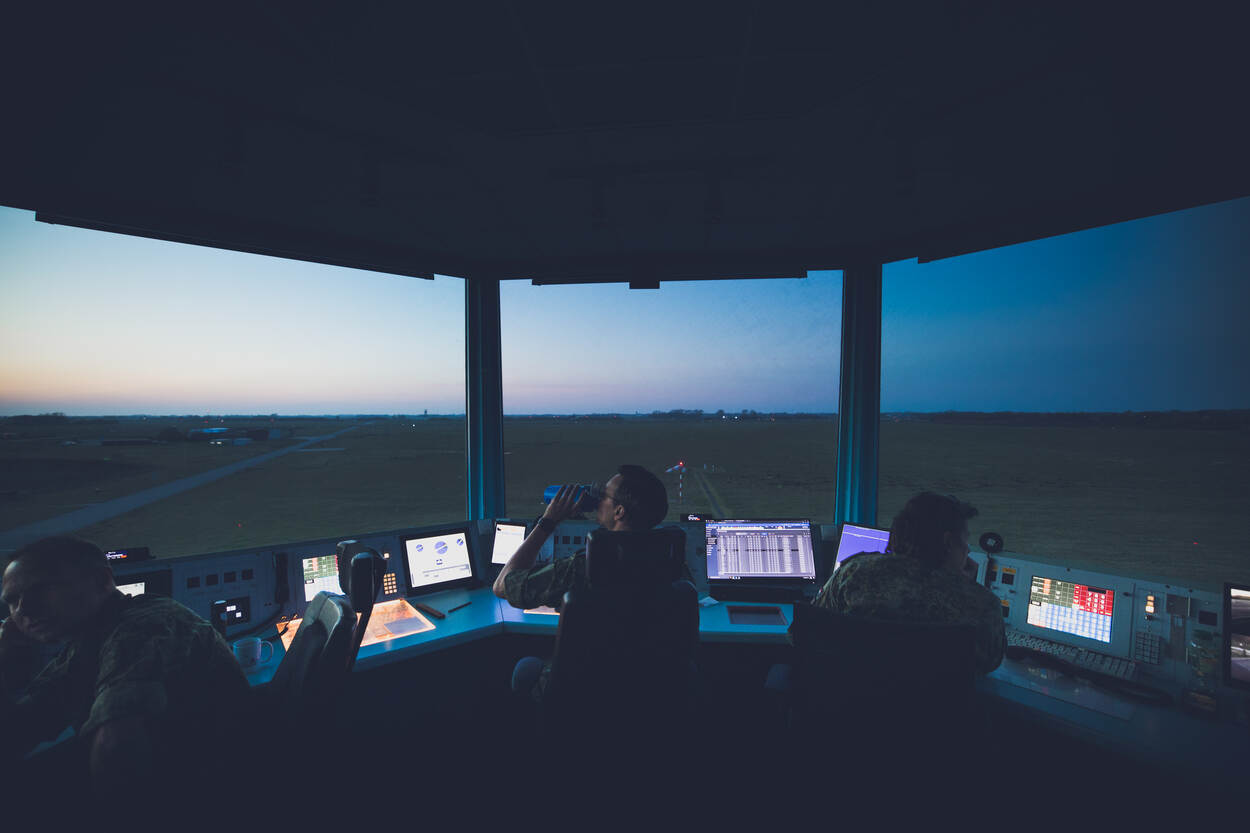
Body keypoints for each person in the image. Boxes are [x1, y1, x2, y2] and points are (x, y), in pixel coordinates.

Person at [0, 536, 250, 798]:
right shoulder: (84, 645)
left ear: (102, 581)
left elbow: (116, 750)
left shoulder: (146, 627)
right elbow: (14, 736)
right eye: (12, 600)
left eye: (41, 589)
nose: (24, 609)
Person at [493, 464, 693, 698]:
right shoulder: (673, 566)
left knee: (527, 666)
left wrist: (547, 522)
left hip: (583, 695)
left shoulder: (586, 567)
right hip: (653, 693)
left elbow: (503, 586)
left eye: (604, 496)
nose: (597, 501)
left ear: (619, 511)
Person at [812, 491, 1005, 673]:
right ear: (948, 542)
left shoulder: (853, 572)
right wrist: (965, 586)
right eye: (965, 541)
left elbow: (811, 626)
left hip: (850, 695)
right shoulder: (984, 604)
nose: (967, 550)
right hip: (932, 698)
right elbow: (989, 663)